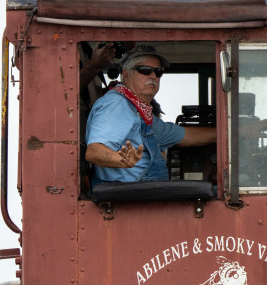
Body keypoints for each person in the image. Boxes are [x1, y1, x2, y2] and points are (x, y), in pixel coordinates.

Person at [85, 45, 215, 184]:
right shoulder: (117, 104)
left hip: (144, 191)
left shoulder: (142, 113)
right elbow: (94, 151)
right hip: (127, 195)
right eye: (145, 70)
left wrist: (229, 133)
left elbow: (185, 136)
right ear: (127, 74)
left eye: (158, 72)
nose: (153, 76)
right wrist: (121, 160)